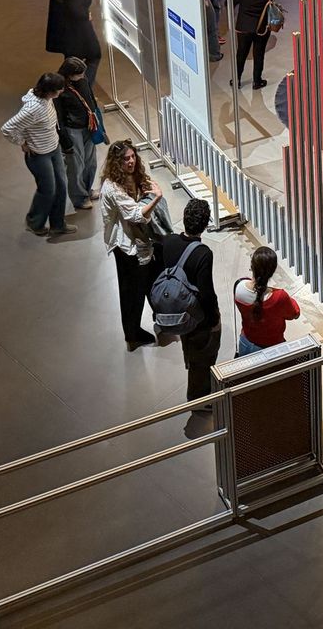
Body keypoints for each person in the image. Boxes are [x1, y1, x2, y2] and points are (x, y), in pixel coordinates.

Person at [158, 200, 222, 428]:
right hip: (196, 316)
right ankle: (199, 399)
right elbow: (206, 292)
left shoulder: (169, 241)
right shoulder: (203, 253)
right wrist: (214, 320)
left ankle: (191, 366)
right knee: (204, 354)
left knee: (189, 345)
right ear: (204, 225)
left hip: (177, 308)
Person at [100, 141, 166, 350]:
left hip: (141, 241)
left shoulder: (132, 176)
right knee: (132, 293)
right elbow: (135, 214)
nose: (131, 161)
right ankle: (132, 334)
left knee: (150, 281)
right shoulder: (112, 188)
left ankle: (162, 318)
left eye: (132, 157)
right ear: (116, 162)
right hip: (126, 247)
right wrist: (157, 197)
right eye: (125, 159)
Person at [1, 72, 69, 236]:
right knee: (48, 190)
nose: (62, 91)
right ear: (50, 90)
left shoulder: (48, 99)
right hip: (39, 155)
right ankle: (34, 222)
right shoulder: (33, 109)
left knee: (61, 185)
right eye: (59, 89)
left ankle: (58, 224)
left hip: (53, 147)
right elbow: (7, 128)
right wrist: (22, 143)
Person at [46, 0, 103, 91]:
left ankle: (62, 88)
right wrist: (86, 15)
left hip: (66, 34)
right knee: (94, 55)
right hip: (79, 32)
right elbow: (75, 9)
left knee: (71, 63)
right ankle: (83, 90)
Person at [234, 246, 301, 356]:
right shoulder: (279, 297)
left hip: (245, 343)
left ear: (252, 266)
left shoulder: (238, 287)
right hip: (272, 350)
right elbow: (295, 314)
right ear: (272, 271)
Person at [55, 58, 101, 213]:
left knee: (90, 162)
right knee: (76, 165)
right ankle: (79, 198)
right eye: (79, 74)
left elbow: (90, 97)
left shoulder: (82, 80)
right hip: (72, 130)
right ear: (69, 74)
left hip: (88, 126)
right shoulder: (59, 89)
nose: (82, 76)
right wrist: (65, 140)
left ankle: (87, 190)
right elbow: (58, 117)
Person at [233, 0, 276, 90]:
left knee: (241, 53)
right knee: (259, 54)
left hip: (244, 28)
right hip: (261, 27)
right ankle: (257, 81)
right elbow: (271, 0)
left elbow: (229, 3)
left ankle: (237, 80)